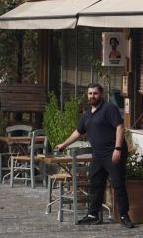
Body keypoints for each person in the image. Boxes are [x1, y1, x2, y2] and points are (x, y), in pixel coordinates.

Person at [55, 83, 136, 228]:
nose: (92, 96)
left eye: (95, 93)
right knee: (95, 185)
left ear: (101, 94)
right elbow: (78, 132)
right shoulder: (86, 114)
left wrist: (117, 149)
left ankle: (124, 216)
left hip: (113, 153)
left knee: (118, 185)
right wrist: (63, 145)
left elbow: (119, 127)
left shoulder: (109, 108)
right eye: (90, 93)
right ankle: (93, 215)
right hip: (98, 155)